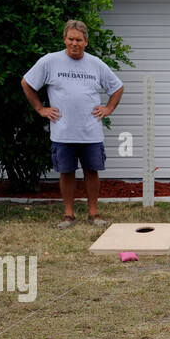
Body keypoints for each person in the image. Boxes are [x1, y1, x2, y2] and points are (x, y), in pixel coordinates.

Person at [21, 20, 124, 226]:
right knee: (66, 172)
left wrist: (108, 108)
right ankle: (68, 214)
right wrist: (41, 109)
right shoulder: (50, 61)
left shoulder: (95, 63)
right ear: (64, 39)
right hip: (63, 131)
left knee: (91, 171)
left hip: (90, 130)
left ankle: (93, 214)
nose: (74, 43)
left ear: (86, 42)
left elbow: (117, 87)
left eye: (78, 40)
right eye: (70, 39)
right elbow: (27, 83)